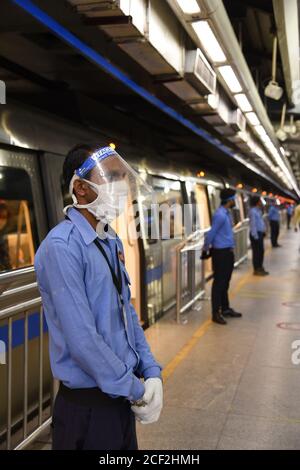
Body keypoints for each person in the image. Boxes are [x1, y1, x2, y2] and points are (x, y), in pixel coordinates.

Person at [34, 144, 163, 450]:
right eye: (113, 177)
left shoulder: (110, 239)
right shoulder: (62, 248)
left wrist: (151, 370)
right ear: (80, 188)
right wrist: (135, 388)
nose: (123, 185)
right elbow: (83, 340)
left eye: (122, 176)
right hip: (88, 410)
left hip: (119, 399)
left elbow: (126, 313)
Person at [201, 188, 242, 325]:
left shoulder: (226, 213)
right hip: (221, 253)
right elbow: (211, 234)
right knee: (219, 283)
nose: (235, 201)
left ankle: (225, 308)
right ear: (229, 200)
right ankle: (215, 313)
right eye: (234, 199)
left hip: (227, 252)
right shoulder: (220, 215)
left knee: (225, 282)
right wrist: (205, 249)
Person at [249, 196, 269, 276]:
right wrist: (255, 236)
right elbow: (253, 225)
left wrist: (263, 231)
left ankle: (260, 267)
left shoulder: (258, 211)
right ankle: (256, 269)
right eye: (260, 201)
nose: (261, 202)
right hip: (255, 234)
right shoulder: (252, 211)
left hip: (259, 233)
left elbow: (260, 222)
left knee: (261, 252)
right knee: (256, 253)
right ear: (257, 202)